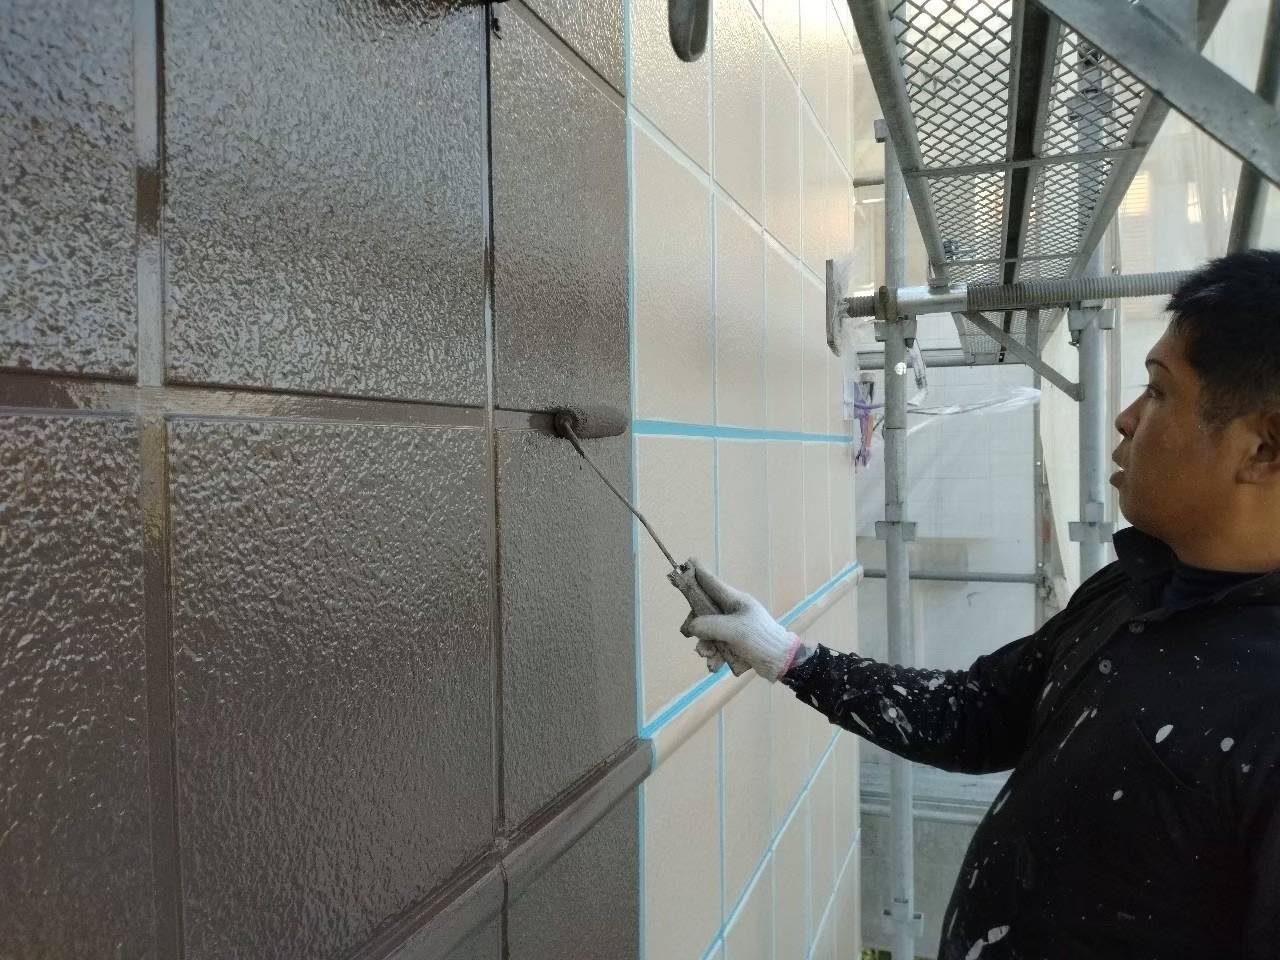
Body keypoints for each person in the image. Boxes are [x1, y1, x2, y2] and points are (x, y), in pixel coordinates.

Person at [681, 249, 1280, 959]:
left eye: (1158, 390)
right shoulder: (1133, 589)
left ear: (1263, 450)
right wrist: (787, 656)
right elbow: (981, 714)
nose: (1125, 418)